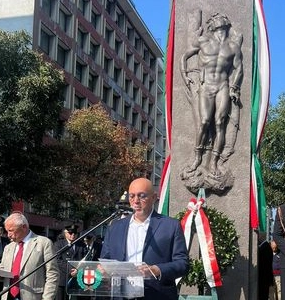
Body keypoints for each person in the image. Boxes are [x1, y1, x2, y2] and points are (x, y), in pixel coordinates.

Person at [101, 177, 189, 300]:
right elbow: (105, 260)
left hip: (157, 295)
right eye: (132, 196)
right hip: (120, 295)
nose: (136, 201)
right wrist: (103, 270)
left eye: (142, 196)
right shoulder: (115, 227)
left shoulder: (170, 226)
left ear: (153, 198)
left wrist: (156, 269)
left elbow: (182, 264)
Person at [180, 12, 243, 175]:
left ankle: (213, 162)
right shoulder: (203, 41)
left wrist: (234, 87)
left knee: (220, 123)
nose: (221, 28)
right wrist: (184, 74)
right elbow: (184, 56)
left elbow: (239, 68)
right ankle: (197, 158)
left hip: (223, 86)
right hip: (206, 86)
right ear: (214, 27)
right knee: (204, 122)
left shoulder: (233, 47)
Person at [0, 212, 59, 300]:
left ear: (24, 227)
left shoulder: (43, 243)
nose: (8, 234)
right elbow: (5, 275)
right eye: (7, 231)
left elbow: (52, 275)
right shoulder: (8, 247)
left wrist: (47, 298)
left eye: (11, 230)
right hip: (8, 296)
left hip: (33, 296)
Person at [53, 224, 85, 300]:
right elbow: (57, 260)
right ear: (65, 233)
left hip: (77, 278)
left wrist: (78, 270)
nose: (73, 235)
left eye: (75, 233)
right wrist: (71, 269)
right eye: (70, 233)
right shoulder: (58, 245)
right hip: (62, 279)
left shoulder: (82, 245)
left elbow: (85, 259)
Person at [257, 231, 273, 300]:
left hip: (264, 276)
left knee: (263, 295)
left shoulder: (265, 247)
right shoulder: (264, 247)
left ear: (261, 237)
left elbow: (265, 263)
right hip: (264, 277)